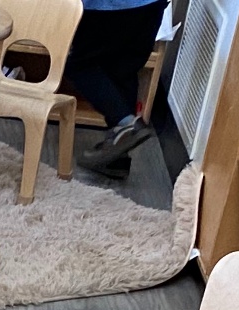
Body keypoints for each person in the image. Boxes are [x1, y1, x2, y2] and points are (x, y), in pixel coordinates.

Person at [66, 0, 168, 177]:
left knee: (79, 66)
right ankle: (116, 159)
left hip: (108, 7)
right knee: (123, 70)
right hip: (152, 6)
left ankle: (126, 123)